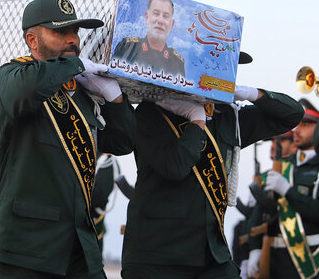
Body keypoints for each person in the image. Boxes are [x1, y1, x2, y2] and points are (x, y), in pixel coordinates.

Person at [0, 0, 135, 278]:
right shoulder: (12, 74)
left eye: (74, 32)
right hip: (25, 250)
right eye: (59, 32)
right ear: (32, 40)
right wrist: (75, 65)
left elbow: (122, 142)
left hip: (79, 247)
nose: (72, 40)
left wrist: (114, 98)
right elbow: (23, 93)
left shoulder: (82, 93)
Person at [121, 52, 304, 279]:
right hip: (158, 254)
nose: (223, 74)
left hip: (211, 254)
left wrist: (249, 93)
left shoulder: (229, 117)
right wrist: (196, 123)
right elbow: (175, 167)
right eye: (217, 67)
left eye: (229, 69)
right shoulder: (153, 111)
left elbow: (293, 115)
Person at [247, 101, 319, 278]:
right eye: (297, 124)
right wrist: (253, 249)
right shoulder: (283, 166)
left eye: (306, 124)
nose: (297, 130)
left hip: (309, 261)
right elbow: (260, 210)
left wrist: (287, 190)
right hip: (274, 260)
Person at [113, 0, 185, 78]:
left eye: (166, 16)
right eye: (156, 14)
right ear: (147, 18)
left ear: (171, 24)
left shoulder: (177, 62)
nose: (160, 21)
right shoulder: (127, 47)